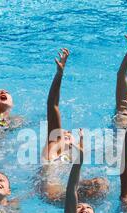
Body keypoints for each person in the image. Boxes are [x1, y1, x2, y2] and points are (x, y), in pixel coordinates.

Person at [39, 48, 108, 203]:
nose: (68, 132)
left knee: (101, 184)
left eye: (71, 133)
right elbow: (52, 105)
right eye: (66, 132)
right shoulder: (54, 144)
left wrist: (80, 144)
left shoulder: (70, 154)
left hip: (66, 191)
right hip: (53, 194)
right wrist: (59, 74)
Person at [60, 129, 97, 213]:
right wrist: (78, 162)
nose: (84, 208)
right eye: (79, 206)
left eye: (88, 208)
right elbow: (71, 190)